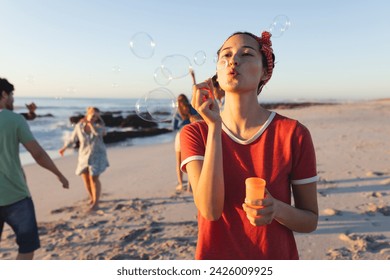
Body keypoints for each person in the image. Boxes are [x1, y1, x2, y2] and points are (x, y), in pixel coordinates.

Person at [180, 31, 318, 259]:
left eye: (246, 54)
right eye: (226, 55)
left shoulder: (294, 133)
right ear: (217, 72)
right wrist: (214, 128)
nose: (234, 60)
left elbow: (310, 220)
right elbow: (210, 210)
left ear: (265, 71)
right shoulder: (196, 133)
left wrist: (277, 209)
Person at [0, 77, 69, 260]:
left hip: (13, 195)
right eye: (12, 95)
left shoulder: (16, 119)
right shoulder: (13, 119)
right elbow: (37, 154)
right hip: (15, 196)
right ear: (4, 94)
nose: (13, 99)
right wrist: (59, 174)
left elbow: (23, 119)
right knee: (27, 245)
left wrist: (31, 113)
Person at [59, 107, 109, 210]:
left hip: (98, 155)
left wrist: (91, 125)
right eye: (93, 115)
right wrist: (64, 148)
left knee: (94, 178)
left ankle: (96, 202)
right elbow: (73, 139)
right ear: (88, 114)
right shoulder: (79, 126)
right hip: (83, 156)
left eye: (96, 116)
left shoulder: (100, 126)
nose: (94, 118)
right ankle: (92, 197)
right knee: (86, 179)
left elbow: (98, 133)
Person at [173, 94, 197, 192]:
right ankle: (187, 185)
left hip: (182, 136)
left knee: (182, 162)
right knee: (188, 162)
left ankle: (184, 184)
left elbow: (174, 127)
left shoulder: (178, 112)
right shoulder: (191, 109)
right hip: (189, 135)